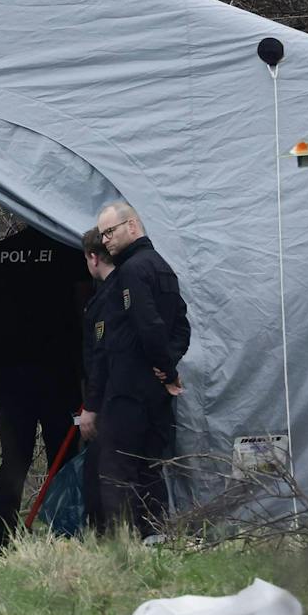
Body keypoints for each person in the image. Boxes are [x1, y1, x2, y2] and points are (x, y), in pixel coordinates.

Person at [0, 223, 91, 550]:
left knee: (14, 458)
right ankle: (64, 537)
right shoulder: (70, 253)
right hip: (60, 375)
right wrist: (88, 376)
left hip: (10, 377)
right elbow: (85, 314)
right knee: (63, 457)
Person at [91, 201, 191, 537]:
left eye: (110, 231)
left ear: (132, 226)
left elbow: (148, 324)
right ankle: (155, 539)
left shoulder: (132, 271)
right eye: (103, 234)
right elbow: (182, 328)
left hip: (129, 389)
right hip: (155, 391)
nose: (105, 240)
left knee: (118, 468)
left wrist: (166, 367)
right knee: (150, 467)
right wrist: (167, 368)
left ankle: (123, 545)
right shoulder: (163, 268)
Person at [75, 225, 117, 535]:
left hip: (109, 399)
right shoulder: (121, 288)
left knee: (99, 472)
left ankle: (103, 534)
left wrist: (91, 405)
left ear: (93, 257)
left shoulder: (106, 298)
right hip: (118, 394)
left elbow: (100, 356)